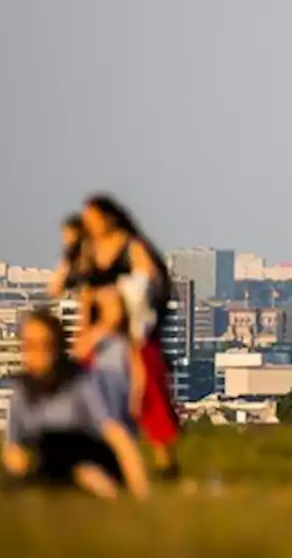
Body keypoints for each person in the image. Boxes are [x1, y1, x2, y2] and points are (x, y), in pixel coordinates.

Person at [73, 194, 181, 480]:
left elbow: (149, 281)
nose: (91, 225)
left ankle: (163, 459)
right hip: (100, 335)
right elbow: (84, 293)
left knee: (149, 395)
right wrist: (84, 331)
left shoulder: (132, 246)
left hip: (135, 332)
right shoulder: (90, 249)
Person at [1, 309, 150, 500]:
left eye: (45, 344)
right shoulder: (21, 392)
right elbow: (12, 447)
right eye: (30, 345)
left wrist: (140, 490)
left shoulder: (82, 382)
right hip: (45, 467)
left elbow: (115, 434)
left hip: (90, 460)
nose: (38, 352)